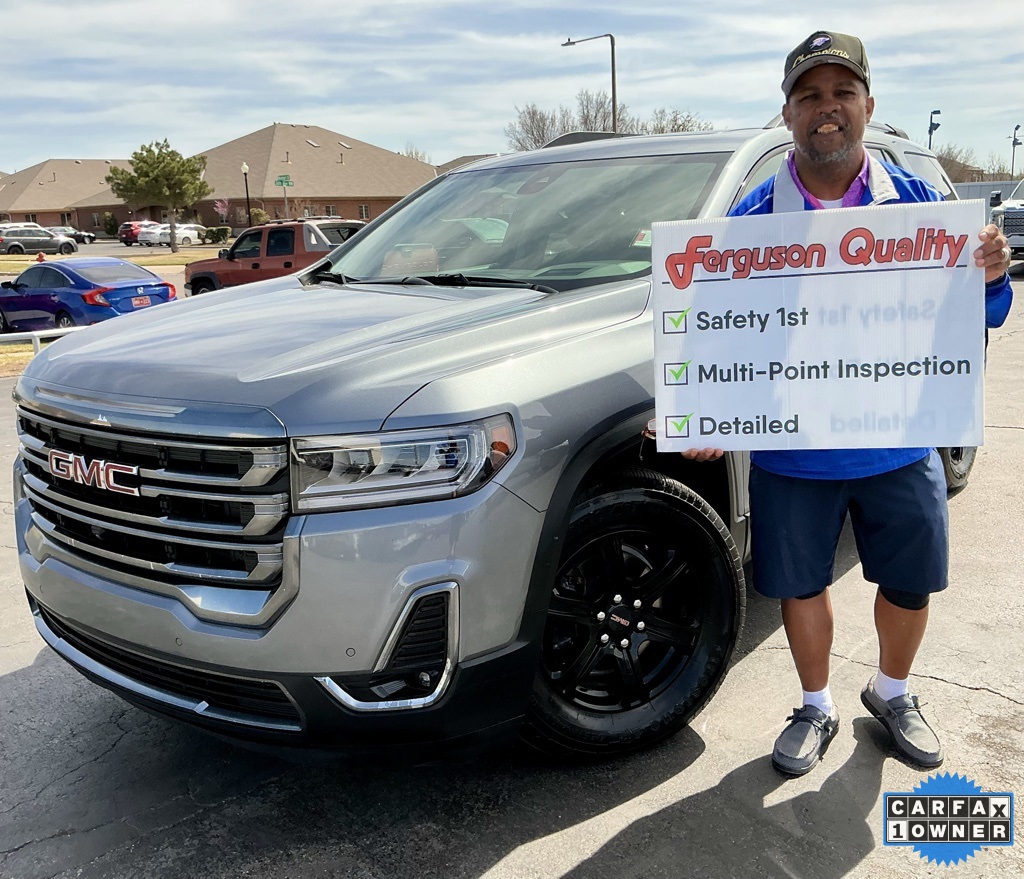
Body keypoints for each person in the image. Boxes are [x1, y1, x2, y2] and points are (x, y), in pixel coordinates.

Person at [683, 30, 1014, 777]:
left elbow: (981, 315)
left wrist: (991, 273)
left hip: (900, 441)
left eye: (840, 94)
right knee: (799, 584)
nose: (825, 110)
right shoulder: (749, 222)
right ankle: (815, 703)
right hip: (794, 451)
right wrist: (702, 408)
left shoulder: (923, 204)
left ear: (868, 104)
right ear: (787, 114)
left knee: (910, 580)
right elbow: (713, 329)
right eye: (809, 96)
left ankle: (892, 690)